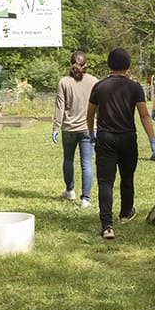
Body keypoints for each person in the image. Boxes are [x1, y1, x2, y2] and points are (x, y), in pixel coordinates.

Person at [86, 47, 155, 239]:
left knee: (105, 182)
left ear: (110, 64)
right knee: (127, 177)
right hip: (127, 138)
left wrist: (92, 134)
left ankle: (107, 226)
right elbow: (144, 114)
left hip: (105, 138)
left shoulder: (99, 87)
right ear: (127, 65)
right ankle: (126, 212)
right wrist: (152, 139)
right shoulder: (135, 87)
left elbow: (90, 113)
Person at [52, 51, 98, 208]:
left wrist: (56, 127)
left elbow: (60, 107)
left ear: (70, 63)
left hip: (69, 129)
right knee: (87, 163)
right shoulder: (94, 82)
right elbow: (99, 107)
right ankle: (85, 199)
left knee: (68, 160)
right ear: (86, 64)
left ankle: (70, 190)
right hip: (88, 128)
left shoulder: (63, 82)